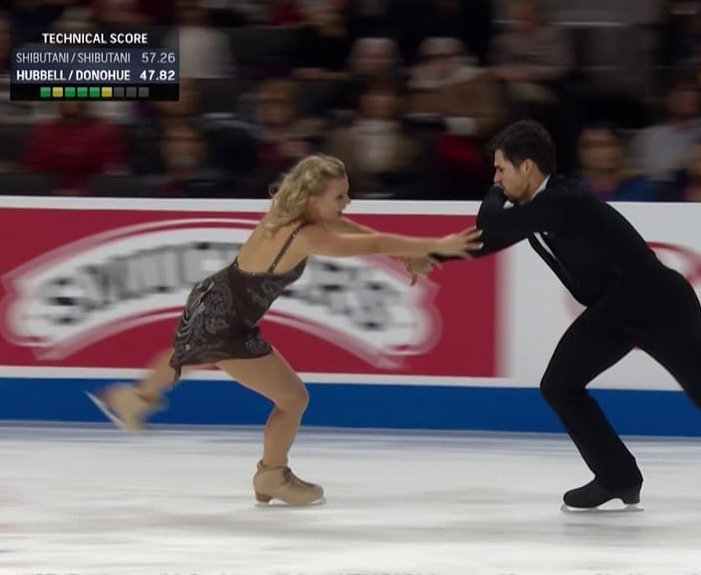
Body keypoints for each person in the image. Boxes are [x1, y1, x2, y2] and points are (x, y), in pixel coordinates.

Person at [430, 120, 701, 510]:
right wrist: (429, 257)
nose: (496, 178)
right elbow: (487, 238)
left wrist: (439, 245)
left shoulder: (561, 201)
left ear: (528, 167)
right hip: (614, 307)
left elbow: (491, 228)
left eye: (500, 169)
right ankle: (618, 476)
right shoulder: (536, 204)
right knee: (559, 385)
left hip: (658, 302)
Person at [87, 154, 482, 507]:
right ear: (313, 200)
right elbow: (370, 240)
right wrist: (435, 244)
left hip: (214, 300)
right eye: (339, 196)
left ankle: (136, 399)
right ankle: (271, 475)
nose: (346, 203)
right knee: (292, 398)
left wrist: (402, 253)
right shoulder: (306, 235)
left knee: (189, 357)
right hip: (225, 321)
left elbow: (348, 227)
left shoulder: (288, 211)